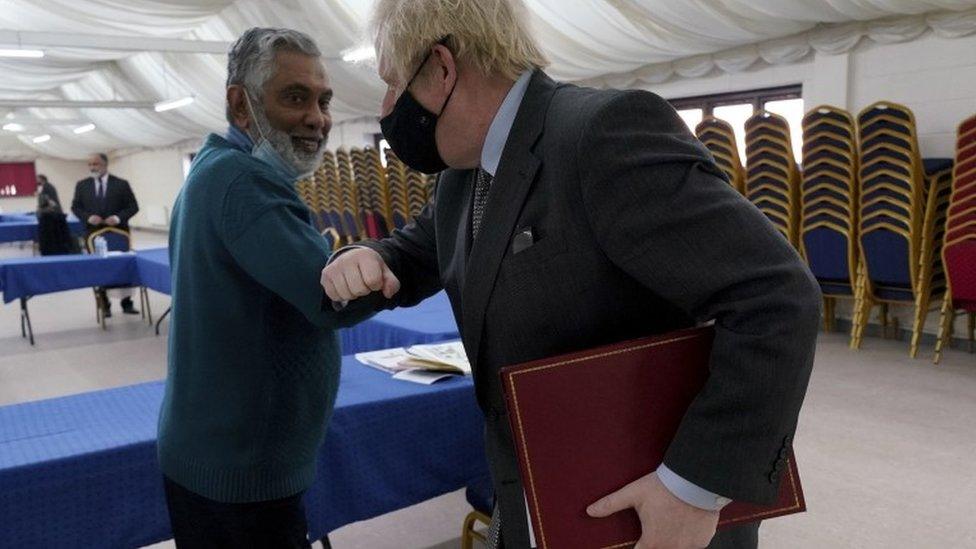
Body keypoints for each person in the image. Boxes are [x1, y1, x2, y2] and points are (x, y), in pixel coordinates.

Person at [322, 1, 822, 547]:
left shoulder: (599, 132)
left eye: (393, 84)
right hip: (544, 486)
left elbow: (776, 294)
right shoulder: (464, 176)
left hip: (645, 506)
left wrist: (693, 487)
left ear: (441, 68)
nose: (388, 106)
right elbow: (421, 248)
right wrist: (373, 257)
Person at [157, 27, 376, 548]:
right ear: (241, 104)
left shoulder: (214, 170)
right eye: (295, 98)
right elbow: (332, 298)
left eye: (323, 101)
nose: (317, 118)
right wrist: (423, 252)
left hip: (215, 452)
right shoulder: (243, 184)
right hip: (240, 468)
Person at [71, 153, 140, 315]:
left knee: (123, 265)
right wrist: (88, 217)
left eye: (96, 164)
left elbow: (133, 207)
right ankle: (104, 305)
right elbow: (75, 207)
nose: (92, 167)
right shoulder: (82, 185)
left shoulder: (121, 184)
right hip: (93, 234)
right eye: (90, 164)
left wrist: (117, 218)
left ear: (105, 165)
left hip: (119, 232)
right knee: (99, 268)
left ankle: (127, 303)